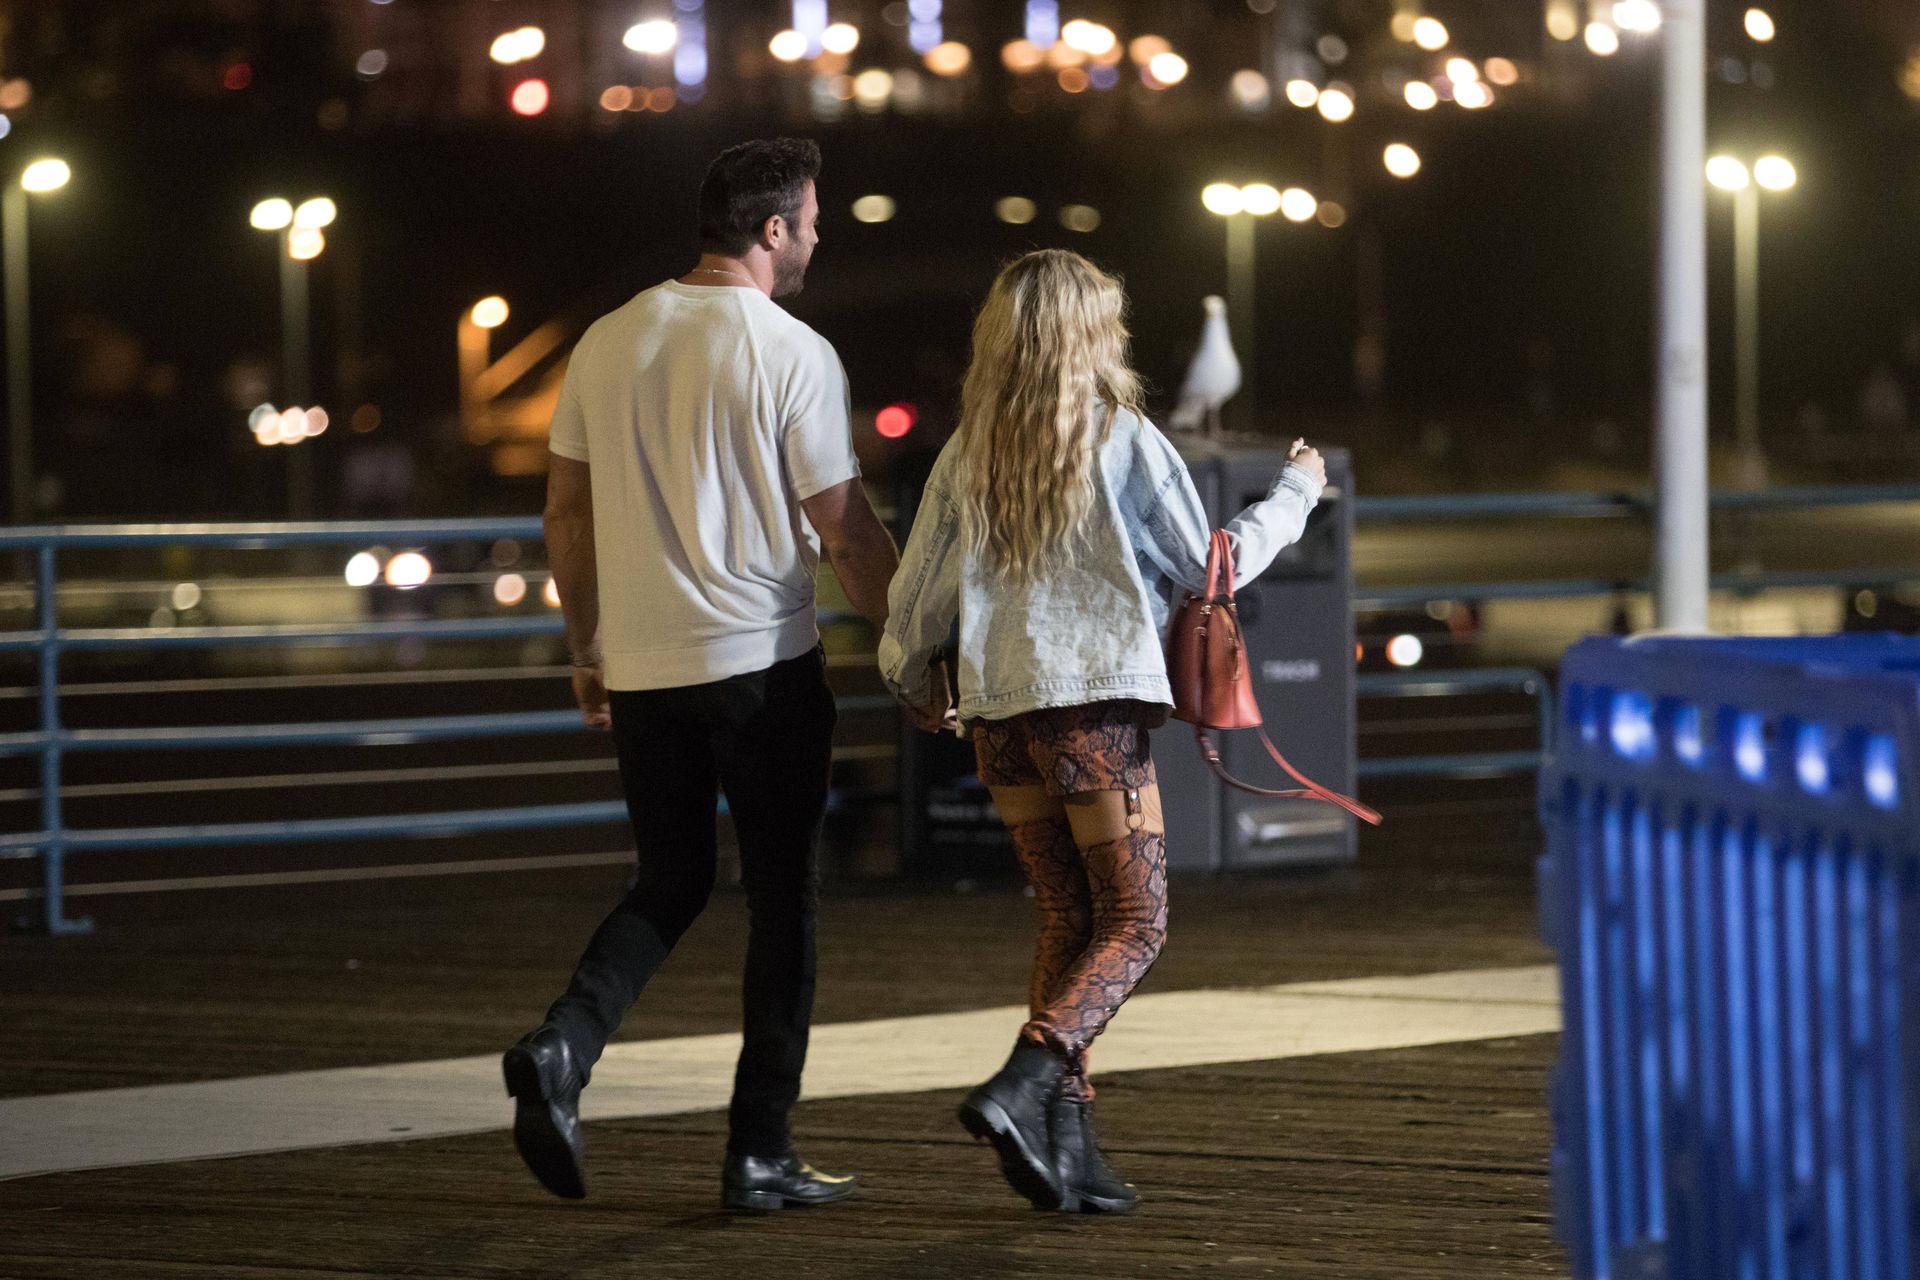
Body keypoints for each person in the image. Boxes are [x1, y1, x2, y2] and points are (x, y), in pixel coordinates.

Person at [879, 249, 1326, 1214]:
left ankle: (1066, 1147)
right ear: (1092, 333)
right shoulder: (1121, 435)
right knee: (1137, 921)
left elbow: (916, 596)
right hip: (1093, 713)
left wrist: (910, 679)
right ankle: (1023, 1080)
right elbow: (1212, 568)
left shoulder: (967, 450)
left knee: (1068, 918)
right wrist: (1295, 491)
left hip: (999, 714)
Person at [505, 138, 902, 1214]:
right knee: (783, 901)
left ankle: (563, 1044)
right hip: (762, 669)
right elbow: (846, 531)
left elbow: (565, 512)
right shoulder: (792, 350)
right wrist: (915, 646)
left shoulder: (606, 340)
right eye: (810, 219)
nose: (817, 235)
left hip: (643, 670)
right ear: (773, 229)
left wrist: (587, 648)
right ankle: (759, 1149)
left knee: (669, 879)